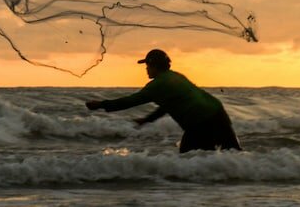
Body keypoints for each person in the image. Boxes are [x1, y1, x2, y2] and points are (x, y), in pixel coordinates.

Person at [86, 49, 242, 153]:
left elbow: (131, 101)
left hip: (200, 123)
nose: (146, 69)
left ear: (154, 66)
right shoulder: (175, 77)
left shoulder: (159, 84)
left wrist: (101, 104)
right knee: (234, 155)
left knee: (189, 159)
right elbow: (169, 104)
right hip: (217, 114)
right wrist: (147, 119)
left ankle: (204, 193)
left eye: (147, 65)